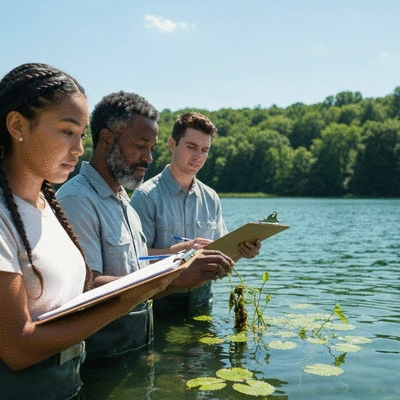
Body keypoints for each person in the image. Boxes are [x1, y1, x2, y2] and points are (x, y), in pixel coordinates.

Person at [0, 64, 183, 399]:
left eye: (81, 134)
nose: (79, 148)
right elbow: (16, 348)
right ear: (17, 126)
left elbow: (82, 289)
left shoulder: (48, 207)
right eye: (67, 131)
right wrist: (135, 294)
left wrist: (163, 274)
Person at [56, 91, 234, 364]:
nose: (149, 158)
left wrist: (182, 257)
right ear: (106, 140)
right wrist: (178, 276)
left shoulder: (125, 203)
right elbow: (87, 286)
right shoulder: (77, 200)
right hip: (103, 360)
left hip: (135, 352)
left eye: (151, 148)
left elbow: (140, 269)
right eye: (140, 145)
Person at [130, 112, 261, 313]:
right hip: (159, 303)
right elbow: (134, 259)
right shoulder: (145, 196)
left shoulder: (211, 197)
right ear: (172, 144)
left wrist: (242, 250)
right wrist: (183, 251)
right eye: (191, 147)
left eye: (204, 150)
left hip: (202, 304)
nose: (198, 156)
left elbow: (221, 256)